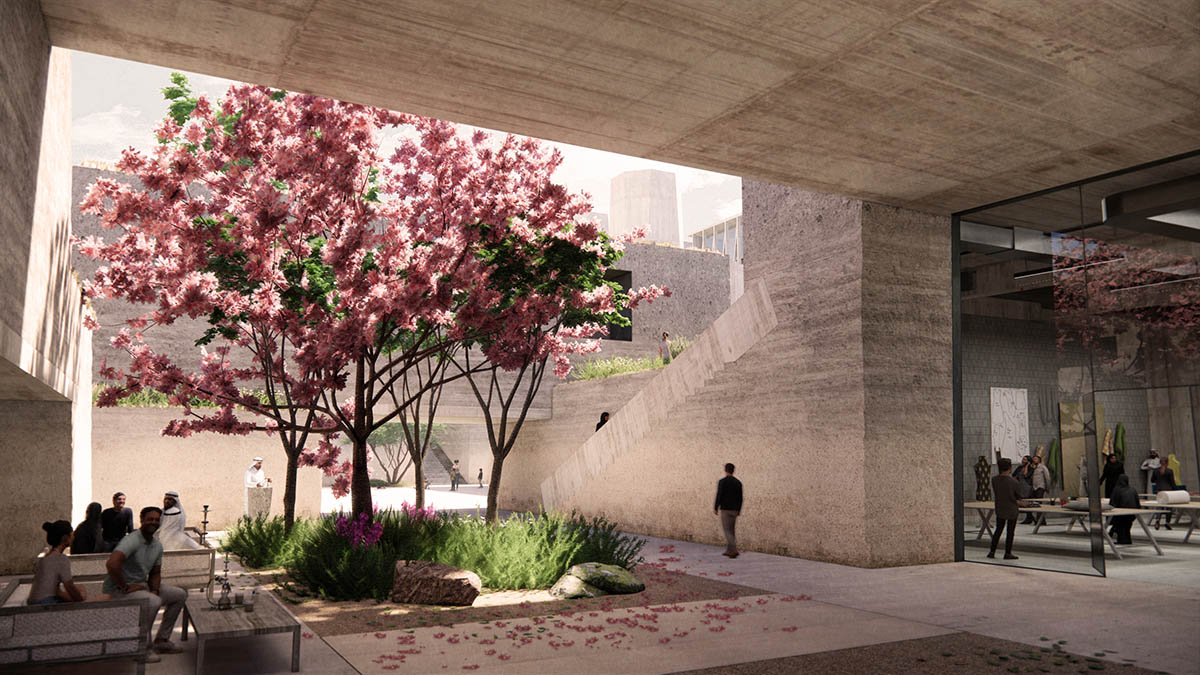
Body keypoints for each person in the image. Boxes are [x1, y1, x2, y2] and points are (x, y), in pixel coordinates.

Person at [105, 506, 187, 659]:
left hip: (141, 586)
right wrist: (124, 586)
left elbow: (155, 573)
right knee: (153, 602)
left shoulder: (157, 545)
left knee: (179, 595)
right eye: (150, 519)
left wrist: (154, 590)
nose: (154, 522)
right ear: (142, 520)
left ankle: (162, 640)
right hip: (120, 590)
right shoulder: (132, 540)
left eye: (157, 520)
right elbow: (112, 564)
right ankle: (141, 648)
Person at [28, 520, 87, 605]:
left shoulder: (46, 557)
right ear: (65, 538)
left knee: (80, 587)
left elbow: (56, 590)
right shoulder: (61, 559)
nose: (73, 537)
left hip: (33, 600)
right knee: (82, 592)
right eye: (71, 534)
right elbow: (69, 586)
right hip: (45, 602)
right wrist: (81, 601)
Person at [988, 458, 1021, 560]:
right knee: (1010, 532)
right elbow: (1018, 496)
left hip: (1000, 507)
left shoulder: (994, 479)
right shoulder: (1014, 482)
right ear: (1010, 468)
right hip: (1011, 508)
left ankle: (992, 551)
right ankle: (1007, 553)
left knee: (998, 530)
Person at [713, 463, 743, 558]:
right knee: (732, 530)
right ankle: (729, 550)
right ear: (733, 470)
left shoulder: (722, 482)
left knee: (727, 531)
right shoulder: (738, 483)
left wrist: (715, 507)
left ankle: (733, 550)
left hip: (725, 509)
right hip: (734, 510)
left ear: (725, 470)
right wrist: (738, 509)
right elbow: (740, 498)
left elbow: (719, 494)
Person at [1108, 475, 1140, 544]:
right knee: (1126, 527)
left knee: (1120, 525)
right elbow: (1137, 503)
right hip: (1132, 514)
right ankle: (1127, 539)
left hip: (1121, 514)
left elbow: (1112, 503)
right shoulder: (1133, 490)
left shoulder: (1117, 490)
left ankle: (1121, 539)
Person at [1153, 462, 1178, 530]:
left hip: (1160, 490)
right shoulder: (1169, 471)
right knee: (1168, 507)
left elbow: (1152, 480)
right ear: (1167, 463)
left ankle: (1157, 520)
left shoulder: (1155, 471)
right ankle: (1167, 522)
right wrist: (1175, 490)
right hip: (1168, 491)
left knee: (1159, 507)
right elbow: (1172, 482)